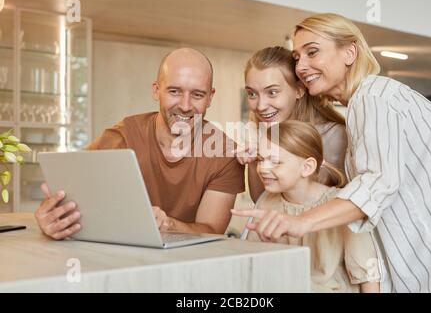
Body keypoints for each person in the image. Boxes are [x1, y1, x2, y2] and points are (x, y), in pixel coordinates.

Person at [234, 13, 431, 293]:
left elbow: (377, 184)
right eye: (298, 57)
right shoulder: (361, 107)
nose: (301, 66)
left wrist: (301, 222)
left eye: (313, 52)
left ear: (350, 52)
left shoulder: (374, 96)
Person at [35, 48, 245, 240]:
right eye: (174, 91)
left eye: (197, 95)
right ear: (156, 91)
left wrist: (168, 224)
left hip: (188, 265)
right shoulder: (122, 136)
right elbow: (74, 198)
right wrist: (53, 219)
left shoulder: (225, 153)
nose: (185, 105)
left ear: (210, 98)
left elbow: (211, 231)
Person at [235, 121, 381, 292]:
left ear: (307, 167)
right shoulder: (267, 200)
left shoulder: (341, 205)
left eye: (275, 162)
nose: (263, 168)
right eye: (261, 159)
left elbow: (367, 273)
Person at [235, 46, 347, 202]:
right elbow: (262, 201)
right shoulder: (263, 135)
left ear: (299, 90)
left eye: (272, 92)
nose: (260, 106)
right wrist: (255, 161)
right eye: (252, 94)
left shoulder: (335, 136)